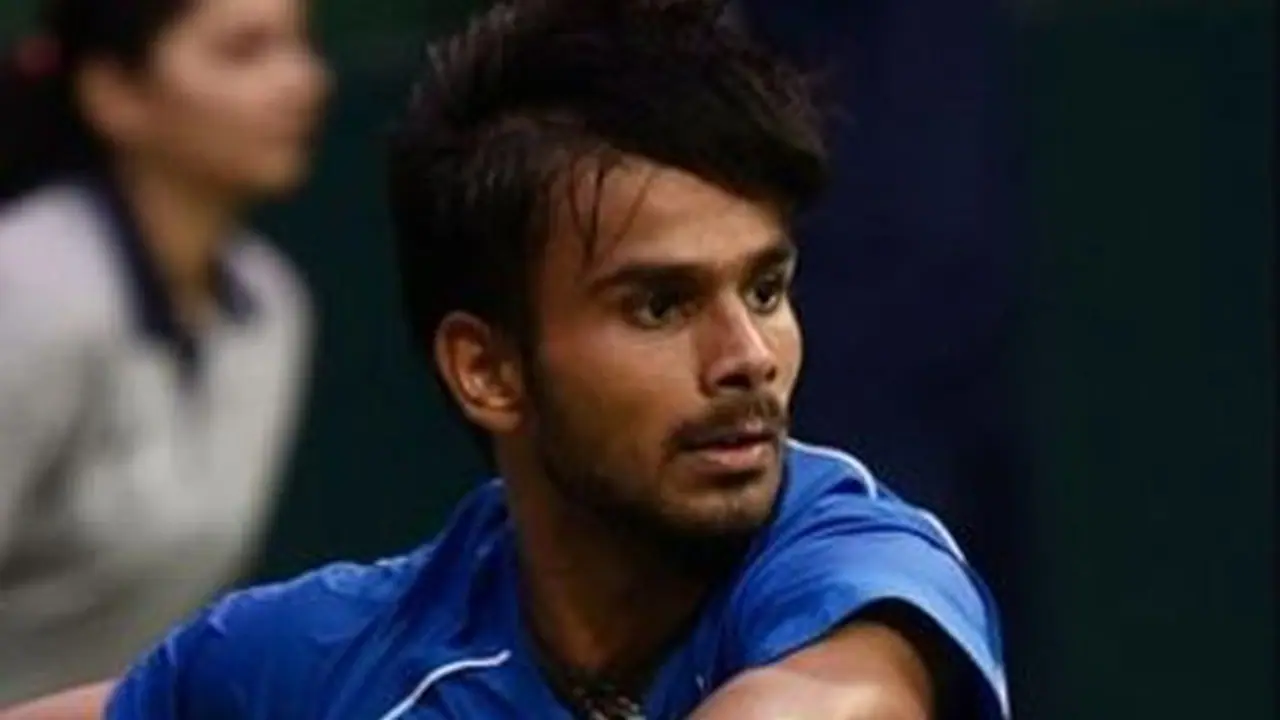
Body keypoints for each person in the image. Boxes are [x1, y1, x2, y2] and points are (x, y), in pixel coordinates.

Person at [2, 1, 1008, 717]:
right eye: (659, 306)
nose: (746, 357)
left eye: (764, 290)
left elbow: (834, 699)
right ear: (486, 370)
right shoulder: (331, 654)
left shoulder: (858, 561)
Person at [0, 0, 328, 706]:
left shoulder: (271, 301)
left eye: (300, 44)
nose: (303, 81)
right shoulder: (26, 289)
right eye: (244, 51)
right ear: (114, 93)